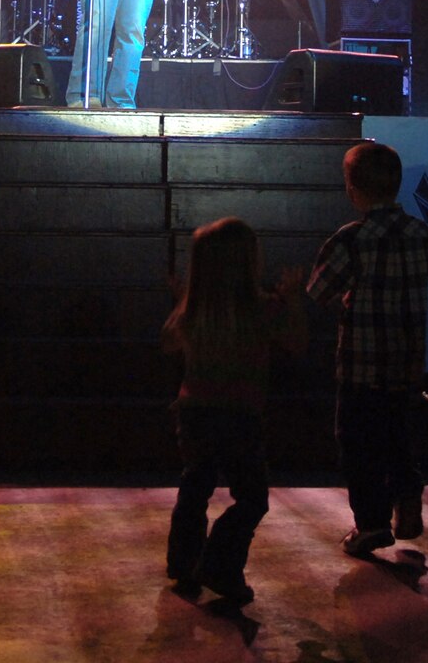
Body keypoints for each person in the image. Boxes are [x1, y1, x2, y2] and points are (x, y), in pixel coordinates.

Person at [306, 142, 428, 557]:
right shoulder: (420, 233)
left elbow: (319, 291)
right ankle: (408, 500)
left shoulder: (351, 240)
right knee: (399, 437)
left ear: (351, 189)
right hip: (407, 365)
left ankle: (371, 524)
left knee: (358, 444)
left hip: (360, 366)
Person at [162, 217, 307, 606]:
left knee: (195, 486)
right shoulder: (263, 308)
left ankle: (184, 562)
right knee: (252, 497)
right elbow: (296, 343)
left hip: (194, 411)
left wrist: (180, 300)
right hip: (241, 414)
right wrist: (293, 298)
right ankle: (221, 565)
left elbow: (168, 345)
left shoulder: (193, 310)